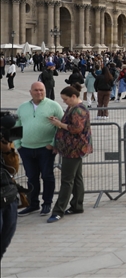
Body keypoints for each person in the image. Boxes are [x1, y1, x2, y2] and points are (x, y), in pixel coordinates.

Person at [14, 82, 63, 217]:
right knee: (31, 177)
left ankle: (47, 203)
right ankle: (32, 203)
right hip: (26, 149)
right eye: (36, 90)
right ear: (30, 92)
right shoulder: (22, 107)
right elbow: (16, 125)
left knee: (47, 176)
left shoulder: (54, 106)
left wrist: (53, 143)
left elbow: (61, 126)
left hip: (45, 149)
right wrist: (18, 145)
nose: (39, 92)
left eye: (41, 90)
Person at [45, 83, 92, 223]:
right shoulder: (73, 107)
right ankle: (77, 205)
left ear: (73, 96)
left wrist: (59, 124)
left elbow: (76, 129)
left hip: (73, 149)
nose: (64, 102)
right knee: (76, 178)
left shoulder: (78, 110)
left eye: (65, 99)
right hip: (73, 148)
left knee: (67, 180)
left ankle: (58, 210)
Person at [1, 111, 21, 261]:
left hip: (7, 196)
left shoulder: (4, 139)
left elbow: (13, 168)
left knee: (4, 242)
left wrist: (7, 151)